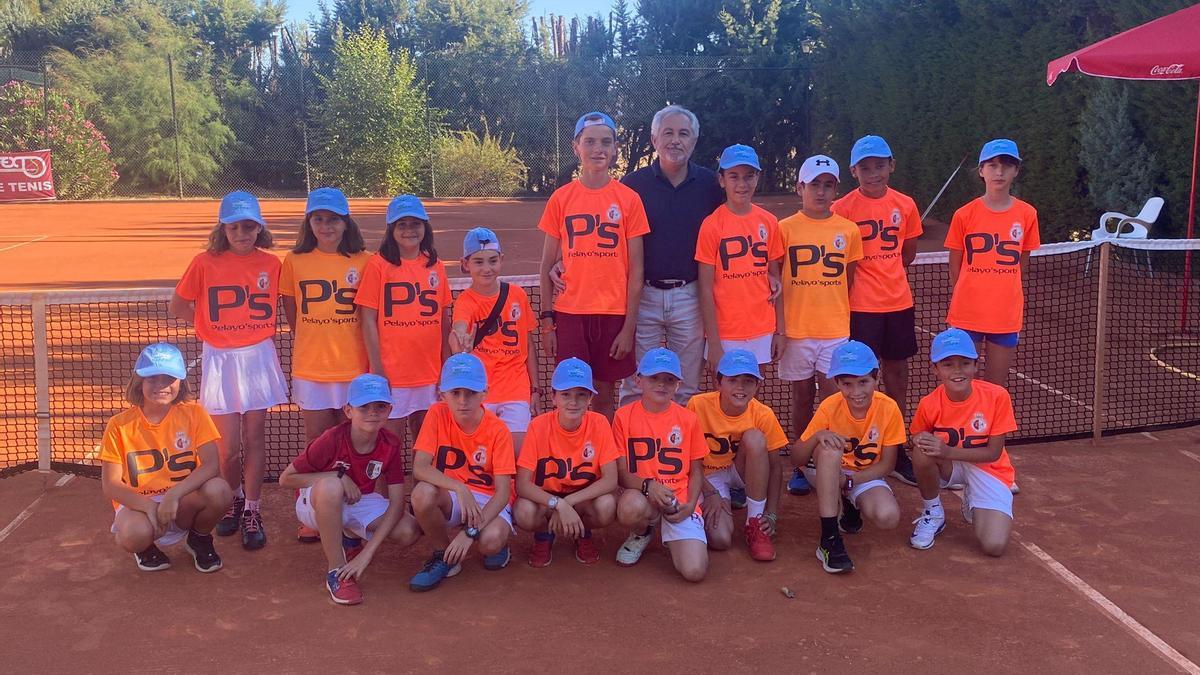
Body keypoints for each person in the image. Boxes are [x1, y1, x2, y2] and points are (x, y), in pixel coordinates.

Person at [170, 191, 286, 550]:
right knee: (227, 450)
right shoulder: (204, 262)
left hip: (257, 357)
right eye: (235, 226)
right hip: (220, 359)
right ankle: (233, 499)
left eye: (249, 226)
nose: (242, 233)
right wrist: (207, 329)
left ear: (259, 228)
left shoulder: (272, 265)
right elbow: (178, 304)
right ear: (224, 228)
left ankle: (252, 509)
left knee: (254, 439)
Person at [538, 112, 649, 418]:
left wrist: (628, 329)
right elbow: (546, 264)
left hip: (613, 315)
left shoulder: (629, 200)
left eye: (605, 142)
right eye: (589, 141)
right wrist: (548, 322)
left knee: (603, 397)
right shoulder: (561, 199)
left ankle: (604, 463)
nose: (597, 149)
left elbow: (636, 271)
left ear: (615, 149)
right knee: (570, 394)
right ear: (576, 147)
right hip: (570, 314)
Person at [278, 374, 421, 605]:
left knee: (409, 531)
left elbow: (396, 504)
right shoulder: (331, 439)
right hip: (315, 502)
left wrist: (368, 553)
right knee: (333, 487)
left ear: (390, 409)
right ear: (348, 411)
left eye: (380, 406)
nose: (372, 412)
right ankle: (336, 571)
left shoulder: (390, 443)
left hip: (358, 499)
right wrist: (337, 475)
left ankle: (351, 540)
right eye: (364, 406)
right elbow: (286, 479)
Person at [280, 187, 371, 543]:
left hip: (355, 369)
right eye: (318, 219)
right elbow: (293, 313)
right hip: (312, 368)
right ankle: (312, 510)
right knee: (318, 442)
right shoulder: (294, 261)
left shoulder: (365, 260)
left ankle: (360, 505)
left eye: (333, 219)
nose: (325, 225)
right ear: (309, 222)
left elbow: (369, 316)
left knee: (357, 441)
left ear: (345, 222)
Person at [832, 135, 923, 486]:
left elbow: (908, 254)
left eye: (880, 165)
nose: (873, 173)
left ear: (891, 166)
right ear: (854, 171)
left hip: (898, 304)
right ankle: (858, 449)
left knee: (897, 378)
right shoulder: (842, 208)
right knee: (860, 382)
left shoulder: (906, 205)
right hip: (859, 309)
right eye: (865, 167)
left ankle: (896, 451)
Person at [99, 342, 231, 573]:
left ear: (180, 382)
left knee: (219, 490)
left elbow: (211, 465)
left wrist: (173, 495)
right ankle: (145, 548)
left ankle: (198, 539)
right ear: (140, 382)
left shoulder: (195, 413)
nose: (161, 386)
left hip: (183, 501)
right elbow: (111, 486)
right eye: (152, 378)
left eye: (169, 379)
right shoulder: (118, 425)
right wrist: (149, 507)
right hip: (139, 505)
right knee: (132, 535)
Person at [776, 156, 863, 498]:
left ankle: (830, 461)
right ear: (800, 188)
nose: (821, 191)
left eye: (828, 185)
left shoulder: (848, 230)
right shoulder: (784, 229)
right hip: (797, 331)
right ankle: (801, 464)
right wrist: (780, 329)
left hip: (835, 330)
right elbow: (776, 280)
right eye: (814, 184)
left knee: (833, 400)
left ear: (836, 190)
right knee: (800, 398)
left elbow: (848, 280)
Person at [793, 341, 904, 573]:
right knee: (830, 449)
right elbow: (797, 458)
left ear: (876, 378)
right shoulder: (829, 407)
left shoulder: (889, 408)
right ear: (837, 383)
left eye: (863, 382)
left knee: (888, 517)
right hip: (825, 471)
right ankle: (829, 539)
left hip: (862, 476)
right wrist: (817, 436)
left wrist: (850, 482)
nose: (856, 392)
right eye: (847, 384)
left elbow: (887, 464)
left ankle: (849, 503)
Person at [408, 353, 516, 591]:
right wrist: (459, 487)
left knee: (490, 543)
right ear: (442, 393)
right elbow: (420, 466)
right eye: (455, 393)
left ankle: (495, 543)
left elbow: (503, 492)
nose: (462, 401)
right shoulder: (436, 414)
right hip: (454, 493)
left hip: (489, 498)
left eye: (470, 392)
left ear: (485, 393)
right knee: (421, 494)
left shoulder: (498, 430)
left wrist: (470, 532)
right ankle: (444, 555)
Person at [909, 328, 1017, 557]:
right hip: (951, 466)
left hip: (989, 469)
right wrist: (923, 442)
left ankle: (975, 494)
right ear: (935, 369)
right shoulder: (929, 403)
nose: (957, 371)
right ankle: (933, 512)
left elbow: (993, 453)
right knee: (921, 451)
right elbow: (916, 437)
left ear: (976, 365)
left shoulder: (997, 396)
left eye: (965, 363)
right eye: (948, 364)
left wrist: (947, 451)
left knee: (994, 547)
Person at [355, 194, 451, 444]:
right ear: (391, 229)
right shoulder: (378, 265)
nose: (409, 230)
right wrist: (378, 369)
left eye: (415, 223)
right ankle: (385, 487)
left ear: (425, 227)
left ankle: (423, 485)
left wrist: (445, 365)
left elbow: (443, 319)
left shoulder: (436, 265)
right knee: (388, 443)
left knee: (427, 442)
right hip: (393, 374)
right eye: (402, 224)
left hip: (429, 373)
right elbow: (367, 319)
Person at [945, 139, 1040, 388]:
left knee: (995, 388)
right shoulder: (964, 214)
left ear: (1016, 170)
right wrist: (968, 292)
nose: (999, 172)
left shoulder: (1027, 214)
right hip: (967, 314)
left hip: (1005, 315)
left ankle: (990, 429)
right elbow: (955, 264)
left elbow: (1022, 262)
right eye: (992, 165)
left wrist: (1003, 289)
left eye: (1007, 166)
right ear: (981, 170)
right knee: (961, 385)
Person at [612, 348, 709, 582]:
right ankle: (643, 532)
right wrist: (649, 486)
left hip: (680, 500)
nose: (661, 385)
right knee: (628, 506)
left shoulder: (688, 419)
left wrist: (690, 504)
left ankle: (674, 531)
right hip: (643, 497)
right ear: (638, 380)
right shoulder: (623, 417)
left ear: (678, 385)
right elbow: (621, 473)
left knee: (694, 572)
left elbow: (696, 470)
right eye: (653, 378)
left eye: (669, 380)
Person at [514, 358, 619, 567]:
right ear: (553, 398)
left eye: (581, 395)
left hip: (581, 498)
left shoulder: (599, 423)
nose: (573, 402)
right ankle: (544, 535)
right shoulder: (538, 426)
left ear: (590, 398)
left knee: (607, 506)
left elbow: (611, 480)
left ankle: (582, 532)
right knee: (523, 512)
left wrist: (569, 503)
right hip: (547, 499)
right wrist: (558, 504)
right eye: (565, 394)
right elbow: (522, 484)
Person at [686, 349, 787, 562]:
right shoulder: (697, 405)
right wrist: (710, 492)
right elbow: (685, 458)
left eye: (748, 381)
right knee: (720, 539)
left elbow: (776, 467)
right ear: (719, 382)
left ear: (758, 385)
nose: (740, 387)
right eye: (733, 380)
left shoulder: (763, 414)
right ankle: (723, 500)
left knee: (755, 438)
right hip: (707, 477)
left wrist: (771, 513)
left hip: (740, 472)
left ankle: (755, 522)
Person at [450, 227, 537, 455]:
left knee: (517, 455)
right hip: (481, 391)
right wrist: (460, 341)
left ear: (501, 260)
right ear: (465, 264)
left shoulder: (518, 295)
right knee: (485, 455)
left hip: (516, 389)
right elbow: (459, 327)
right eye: (478, 262)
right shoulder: (465, 302)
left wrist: (535, 389)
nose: (487, 268)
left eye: (492, 261)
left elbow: (528, 345)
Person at [695, 144, 783, 369]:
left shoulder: (769, 222)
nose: (742, 184)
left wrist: (779, 331)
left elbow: (777, 280)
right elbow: (705, 288)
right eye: (734, 176)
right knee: (723, 399)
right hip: (725, 333)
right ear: (722, 180)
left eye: (748, 176)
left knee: (753, 400)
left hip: (762, 329)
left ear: (757, 178)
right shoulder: (711, 225)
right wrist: (713, 342)